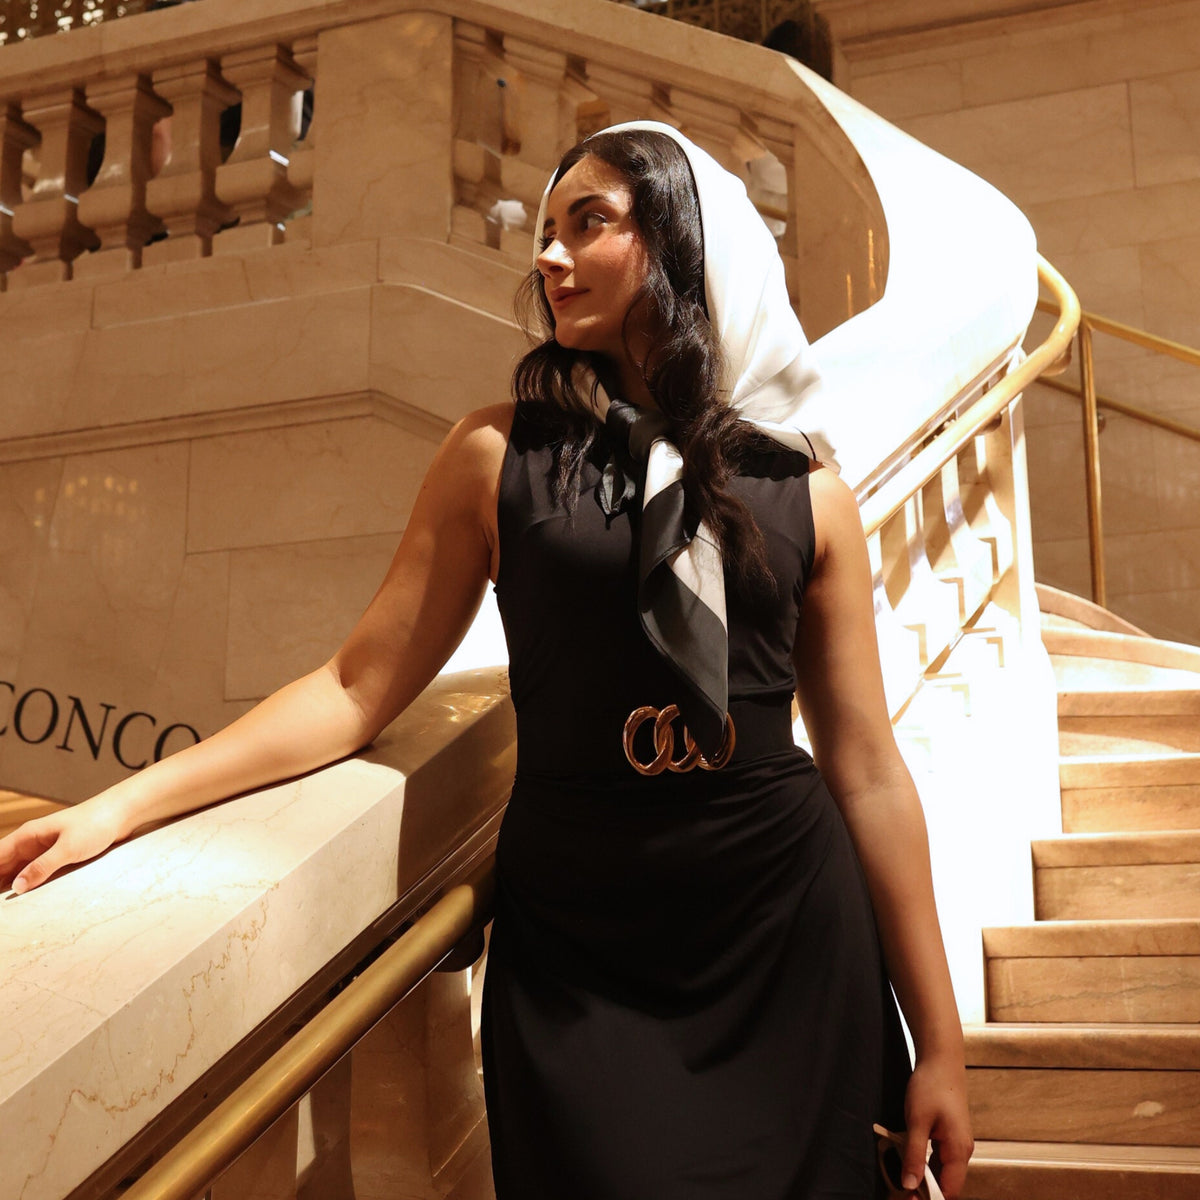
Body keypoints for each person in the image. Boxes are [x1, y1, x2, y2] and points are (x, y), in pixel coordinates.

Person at [0, 123, 973, 1199]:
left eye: (588, 224)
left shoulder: (803, 490)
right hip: (582, 945)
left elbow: (868, 770)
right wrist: (119, 809)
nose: (547, 256)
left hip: (782, 929)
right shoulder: (495, 456)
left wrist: (939, 1044)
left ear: (682, 246)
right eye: (545, 233)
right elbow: (352, 688)